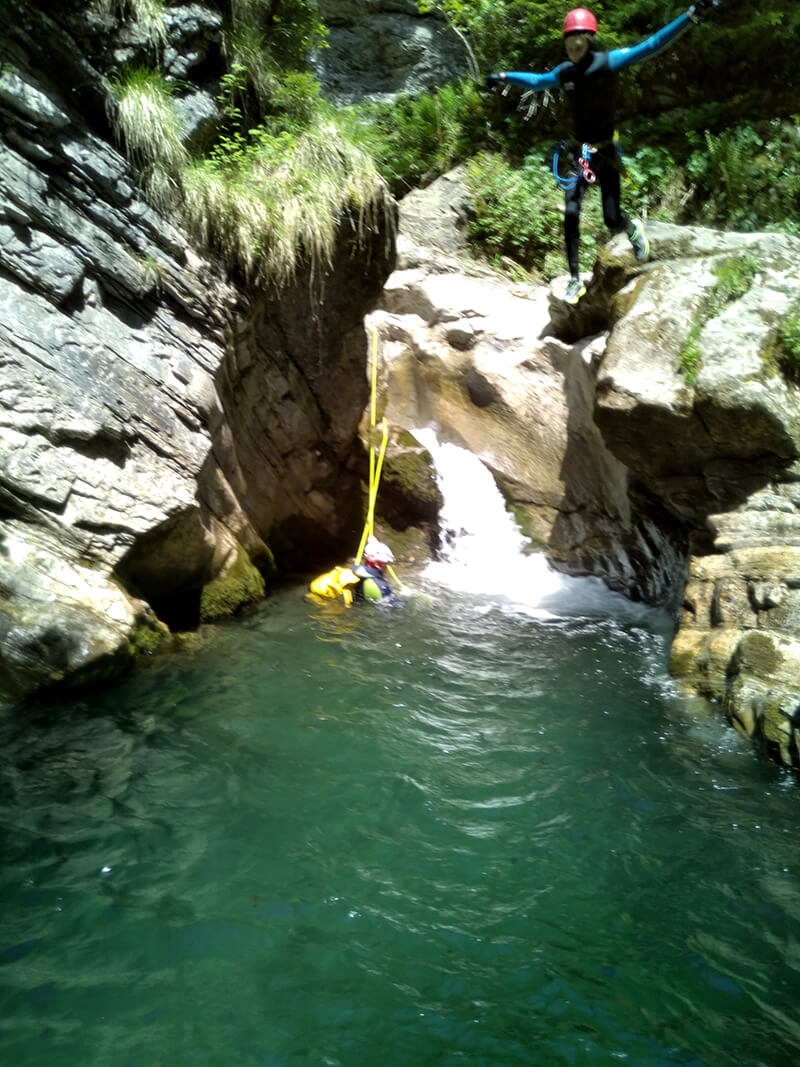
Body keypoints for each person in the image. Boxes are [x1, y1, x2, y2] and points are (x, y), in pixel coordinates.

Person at [486, 3, 716, 305]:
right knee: (571, 212)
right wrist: (503, 76)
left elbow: (652, 45)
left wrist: (690, 16)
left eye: (577, 41)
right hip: (580, 153)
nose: (572, 46)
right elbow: (538, 82)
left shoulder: (609, 62)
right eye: (568, 42)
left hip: (607, 152)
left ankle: (632, 227)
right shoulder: (566, 72)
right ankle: (574, 280)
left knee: (611, 218)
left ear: (589, 39)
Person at [308, 536, 399, 606]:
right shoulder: (378, 585)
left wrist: (373, 543)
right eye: (386, 563)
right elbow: (392, 607)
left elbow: (374, 552)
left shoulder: (357, 572)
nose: (387, 566)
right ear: (378, 564)